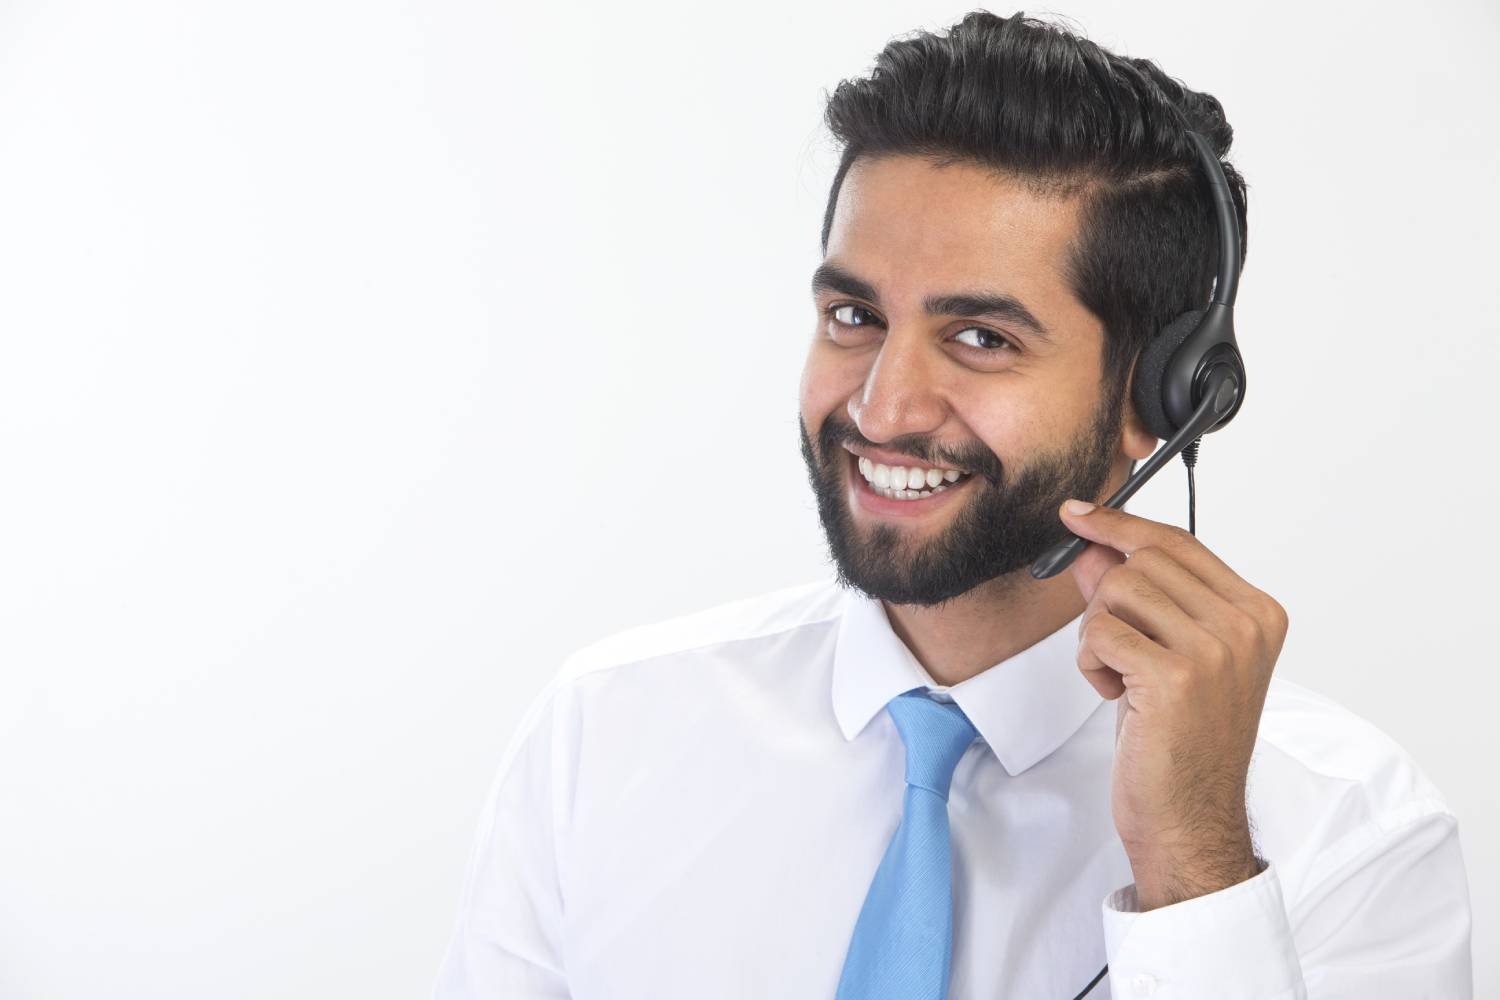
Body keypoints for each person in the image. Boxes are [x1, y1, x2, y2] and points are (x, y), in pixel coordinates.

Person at [432, 11, 1473, 998]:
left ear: (1166, 397)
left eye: (982, 337)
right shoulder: (607, 731)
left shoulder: (1348, 829)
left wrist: (1193, 862)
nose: (883, 405)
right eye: (853, 315)